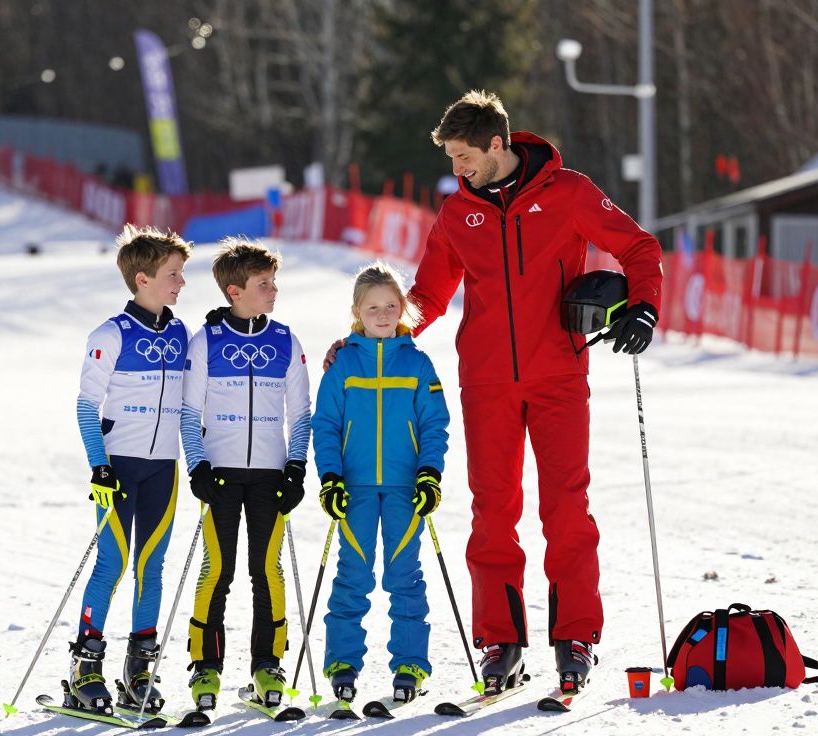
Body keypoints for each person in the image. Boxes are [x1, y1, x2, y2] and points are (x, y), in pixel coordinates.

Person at [410, 90, 664, 695]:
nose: (456, 170)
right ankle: (501, 642)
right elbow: (428, 296)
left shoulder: (569, 192)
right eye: (451, 159)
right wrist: (377, 335)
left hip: (558, 374)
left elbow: (640, 247)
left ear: (498, 145)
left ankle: (575, 637)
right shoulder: (456, 215)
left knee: (566, 508)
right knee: (492, 511)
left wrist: (644, 307)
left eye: (464, 156)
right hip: (488, 380)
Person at [180, 238, 312, 710]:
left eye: (274, 283)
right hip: (221, 474)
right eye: (264, 284)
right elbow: (188, 410)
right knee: (218, 569)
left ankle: (267, 664)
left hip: (270, 475)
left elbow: (302, 413)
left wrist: (295, 467)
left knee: (266, 569)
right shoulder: (207, 340)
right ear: (234, 291)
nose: (273, 291)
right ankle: (205, 667)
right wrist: (197, 465)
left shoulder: (285, 340)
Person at [312, 263, 450, 704]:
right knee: (352, 576)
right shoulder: (343, 362)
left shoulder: (417, 361)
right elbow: (326, 424)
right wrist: (330, 477)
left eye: (392, 305)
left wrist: (430, 472)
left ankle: (410, 663)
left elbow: (435, 424)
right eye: (373, 307)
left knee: (404, 577)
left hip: (404, 489)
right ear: (357, 311)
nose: (384, 313)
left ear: (403, 307)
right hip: (353, 490)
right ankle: (342, 662)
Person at [70, 224, 192, 713]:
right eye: (173, 274)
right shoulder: (110, 334)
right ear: (143, 279)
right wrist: (99, 467)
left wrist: (199, 461)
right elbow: (85, 406)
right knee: (112, 564)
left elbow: (189, 407)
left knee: (152, 566)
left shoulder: (183, 333)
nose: (181, 283)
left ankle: (139, 668)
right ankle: (85, 667)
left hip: (164, 468)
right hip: (117, 468)